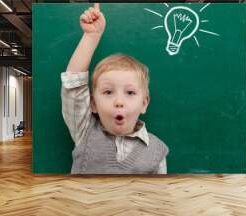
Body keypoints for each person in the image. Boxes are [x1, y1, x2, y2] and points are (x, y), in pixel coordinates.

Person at [61, 3, 169, 174]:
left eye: (130, 93)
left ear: (144, 103)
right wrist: (91, 37)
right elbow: (73, 85)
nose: (119, 101)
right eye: (108, 92)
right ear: (93, 103)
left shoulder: (157, 151)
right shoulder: (84, 131)